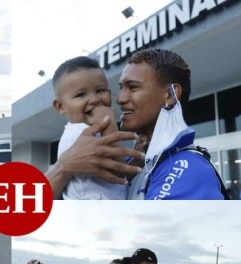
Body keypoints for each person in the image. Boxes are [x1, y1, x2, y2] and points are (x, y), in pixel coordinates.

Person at [47, 48, 226, 200]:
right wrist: (64, 166)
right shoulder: (114, 157)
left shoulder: (187, 167)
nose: (119, 99)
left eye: (132, 87)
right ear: (60, 106)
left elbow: (150, 239)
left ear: (170, 95)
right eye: (121, 88)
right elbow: (25, 210)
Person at [52, 56, 126, 200]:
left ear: (109, 94)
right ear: (61, 107)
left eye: (100, 90)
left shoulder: (88, 130)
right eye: (81, 95)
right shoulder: (80, 134)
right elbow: (118, 170)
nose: (94, 99)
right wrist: (109, 123)